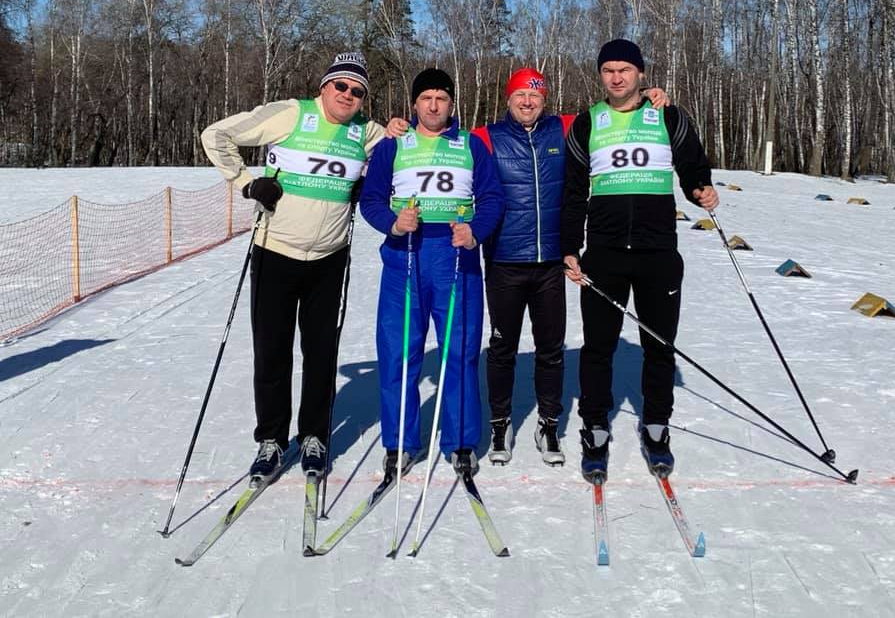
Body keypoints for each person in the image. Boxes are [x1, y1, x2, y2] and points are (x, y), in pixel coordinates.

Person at [201, 52, 402, 483]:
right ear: (324, 87)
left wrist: (379, 170)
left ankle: (314, 436)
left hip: (329, 258)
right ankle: (271, 441)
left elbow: (402, 152)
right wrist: (247, 183)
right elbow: (215, 135)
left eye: (357, 90)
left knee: (321, 355)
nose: (347, 94)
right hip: (275, 251)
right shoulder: (292, 114)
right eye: (341, 86)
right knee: (272, 352)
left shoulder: (366, 132)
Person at [473, 68, 669, 467]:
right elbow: (438, 135)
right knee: (501, 347)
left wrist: (647, 95)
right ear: (507, 98)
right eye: (520, 95)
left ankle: (548, 422)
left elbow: (615, 111)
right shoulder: (484, 137)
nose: (527, 102)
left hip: (550, 264)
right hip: (504, 261)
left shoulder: (565, 128)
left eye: (535, 95)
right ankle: (499, 422)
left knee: (550, 349)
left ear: (544, 100)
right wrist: (399, 125)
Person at [561, 38, 719, 481]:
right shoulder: (587, 123)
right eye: (608, 70)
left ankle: (655, 427)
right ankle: (594, 430)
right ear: (600, 76)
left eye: (625, 70)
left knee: (659, 347)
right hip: (604, 254)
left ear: (641, 74)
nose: (616, 77)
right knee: (597, 349)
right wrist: (569, 247)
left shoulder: (667, 114)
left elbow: (692, 164)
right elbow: (573, 191)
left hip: (658, 252)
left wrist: (700, 188)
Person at [360, 68, 505, 476]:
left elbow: (493, 197)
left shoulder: (470, 145)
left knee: (458, 352)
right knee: (398, 353)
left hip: (455, 257)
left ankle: (460, 442)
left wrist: (475, 230)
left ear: (452, 105)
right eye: (427, 98)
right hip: (405, 256)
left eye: (442, 98)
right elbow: (370, 199)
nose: (434, 105)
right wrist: (392, 223)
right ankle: (401, 443)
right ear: (415, 104)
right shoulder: (394, 145)